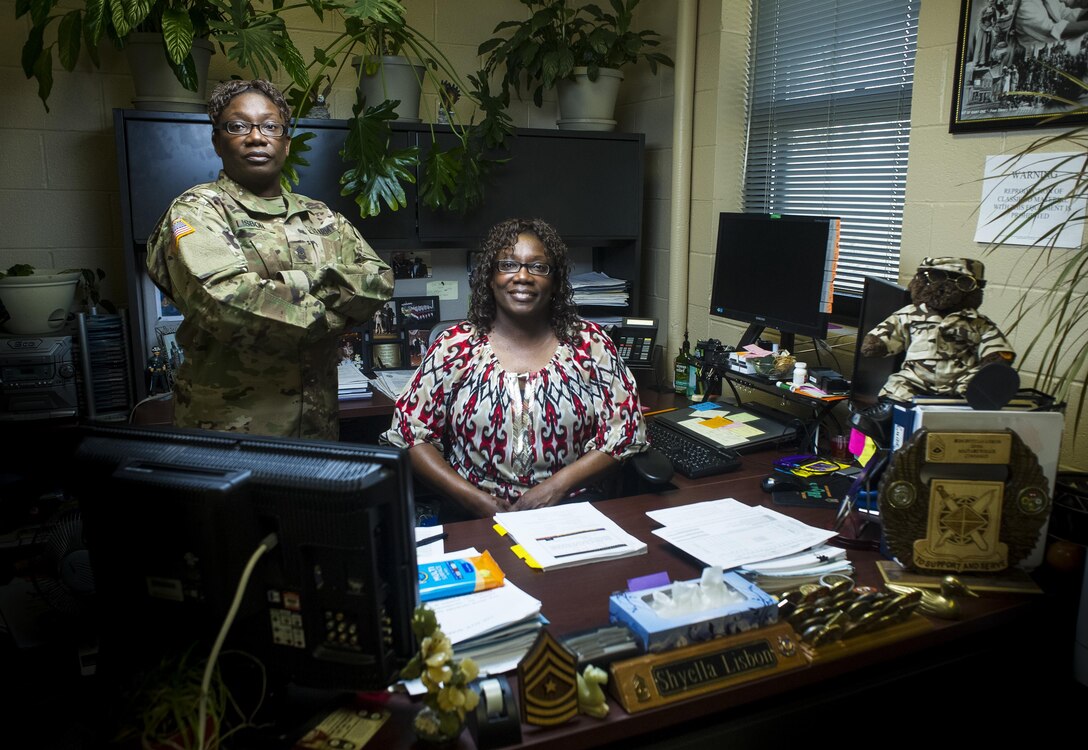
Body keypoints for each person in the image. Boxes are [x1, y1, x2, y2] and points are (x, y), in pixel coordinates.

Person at [146, 79, 393, 440]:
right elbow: (227, 306)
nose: (256, 137)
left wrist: (292, 288)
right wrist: (333, 312)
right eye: (238, 126)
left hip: (318, 430)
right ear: (217, 141)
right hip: (233, 435)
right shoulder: (197, 211)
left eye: (270, 126)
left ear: (285, 142)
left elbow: (379, 282)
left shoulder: (321, 216)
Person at [383, 218, 648, 519]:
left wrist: (555, 488)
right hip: (472, 513)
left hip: (570, 511)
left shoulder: (590, 344)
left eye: (538, 267)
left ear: (556, 280)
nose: (523, 276)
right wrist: (471, 499)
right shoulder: (454, 346)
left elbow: (626, 432)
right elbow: (409, 433)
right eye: (508, 265)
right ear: (490, 276)